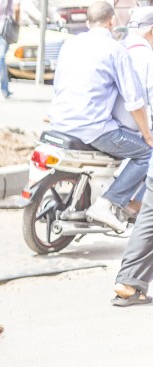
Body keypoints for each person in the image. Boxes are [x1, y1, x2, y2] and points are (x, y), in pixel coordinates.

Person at [48, 1, 153, 234]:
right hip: (92, 128)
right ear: (111, 21)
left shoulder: (70, 44)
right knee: (147, 154)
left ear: (87, 21)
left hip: (58, 121)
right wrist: (147, 135)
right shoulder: (115, 49)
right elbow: (134, 100)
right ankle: (109, 202)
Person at [112, 7, 153, 306]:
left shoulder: (122, 49)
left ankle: (128, 282)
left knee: (148, 220)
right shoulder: (147, 57)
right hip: (137, 134)